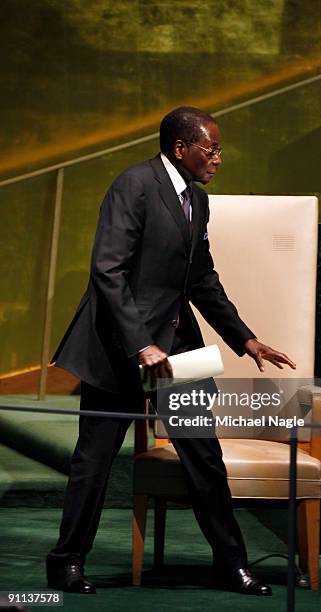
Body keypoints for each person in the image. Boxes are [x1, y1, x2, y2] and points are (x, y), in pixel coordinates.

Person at [46, 106, 296, 597]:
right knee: (93, 462)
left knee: (204, 457)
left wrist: (244, 338)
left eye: (219, 149)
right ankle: (66, 563)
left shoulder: (197, 202)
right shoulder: (133, 186)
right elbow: (108, 272)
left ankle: (231, 564)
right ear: (180, 148)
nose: (218, 158)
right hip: (120, 350)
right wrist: (142, 343)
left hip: (177, 356)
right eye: (211, 148)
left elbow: (201, 279)